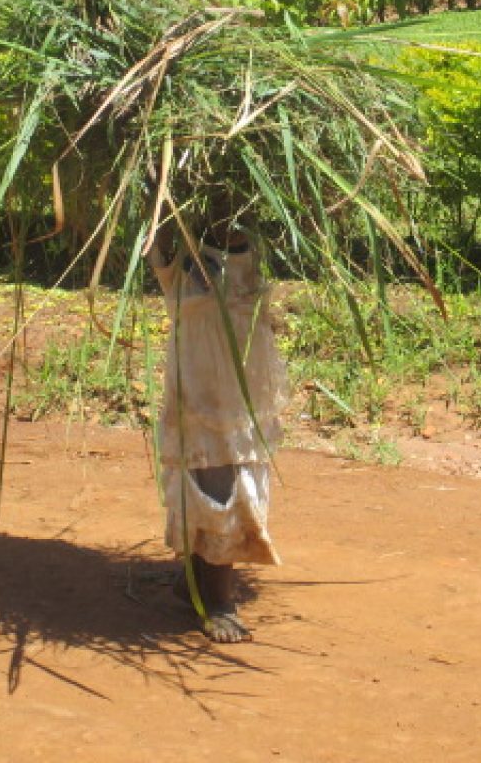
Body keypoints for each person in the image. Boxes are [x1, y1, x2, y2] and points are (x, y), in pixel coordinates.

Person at [148, 221, 287, 643]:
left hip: (245, 403)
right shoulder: (179, 261)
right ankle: (217, 600)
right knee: (212, 487)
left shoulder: (249, 257)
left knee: (235, 485)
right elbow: (160, 220)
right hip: (200, 401)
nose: (230, 223)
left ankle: (195, 581)